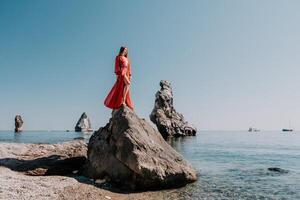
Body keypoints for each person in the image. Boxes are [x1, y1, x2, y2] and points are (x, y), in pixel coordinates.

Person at [104, 46, 133, 110]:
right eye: (125, 50)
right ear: (122, 50)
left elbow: (129, 68)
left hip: (127, 73)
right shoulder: (118, 57)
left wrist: (130, 75)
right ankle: (123, 100)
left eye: (126, 50)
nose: (126, 51)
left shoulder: (128, 59)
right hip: (122, 72)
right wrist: (117, 75)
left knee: (125, 86)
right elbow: (116, 66)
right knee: (128, 83)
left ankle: (123, 100)